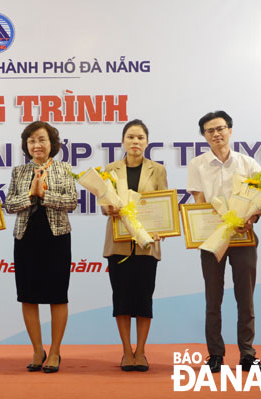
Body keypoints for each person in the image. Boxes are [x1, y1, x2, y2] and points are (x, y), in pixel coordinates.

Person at [187, 110, 261, 374]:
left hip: (244, 238)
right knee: (214, 298)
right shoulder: (197, 164)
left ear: (230, 130)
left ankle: (247, 354)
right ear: (204, 136)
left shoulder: (247, 164)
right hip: (212, 241)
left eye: (220, 128)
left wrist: (253, 215)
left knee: (246, 298)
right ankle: (216, 355)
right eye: (210, 131)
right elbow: (198, 204)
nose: (216, 134)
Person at [4, 121, 77, 373]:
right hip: (26, 239)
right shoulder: (19, 172)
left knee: (58, 295)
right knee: (28, 295)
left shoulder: (64, 169)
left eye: (42, 139)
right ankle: (37, 349)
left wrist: (44, 195)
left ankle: (55, 351)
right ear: (27, 145)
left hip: (56, 238)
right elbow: (10, 205)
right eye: (32, 140)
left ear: (52, 144)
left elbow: (72, 202)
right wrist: (30, 195)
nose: (37, 145)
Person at [101, 119, 167, 372]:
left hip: (147, 244)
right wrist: (108, 208)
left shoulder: (157, 170)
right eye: (130, 137)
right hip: (118, 243)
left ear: (147, 142)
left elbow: (163, 204)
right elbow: (104, 202)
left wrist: (163, 227)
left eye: (140, 137)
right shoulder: (111, 168)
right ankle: (126, 352)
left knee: (143, 300)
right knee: (122, 299)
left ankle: (141, 351)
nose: (135, 142)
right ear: (123, 141)